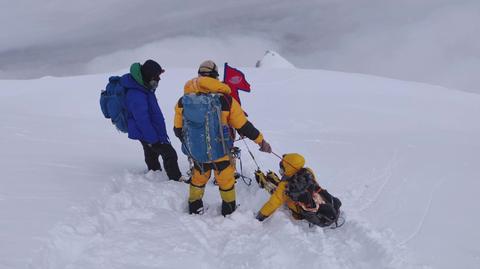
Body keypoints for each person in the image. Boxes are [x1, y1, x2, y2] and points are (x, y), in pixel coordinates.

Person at [174, 60, 272, 216]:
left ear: (199, 76)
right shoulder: (226, 100)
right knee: (225, 181)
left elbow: (178, 129)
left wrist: (195, 145)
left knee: (198, 179)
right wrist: (261, 141)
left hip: (197, 153)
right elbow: (243, 126)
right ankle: (228, 210)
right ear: (215, 77)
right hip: (221, 152)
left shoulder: (183, 101)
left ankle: (194, 207)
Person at [121, 59, 183, 181]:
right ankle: (176, 179)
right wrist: (153, 139)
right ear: (149, 75)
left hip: (148, 131)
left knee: (151, 152)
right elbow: (142, 120)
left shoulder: (143, 87)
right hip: (146, 131)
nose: (159, 80)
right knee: (169, 154)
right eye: (157, 77)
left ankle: (154, 173)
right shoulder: (136, 94)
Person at [255, 153, 342, 227]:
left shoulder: (285, 185)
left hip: (299, 210)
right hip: (316, 200)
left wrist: (261, 216)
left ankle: (268, 182)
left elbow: (272, 204)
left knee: (279, 195)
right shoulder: (308, 171)